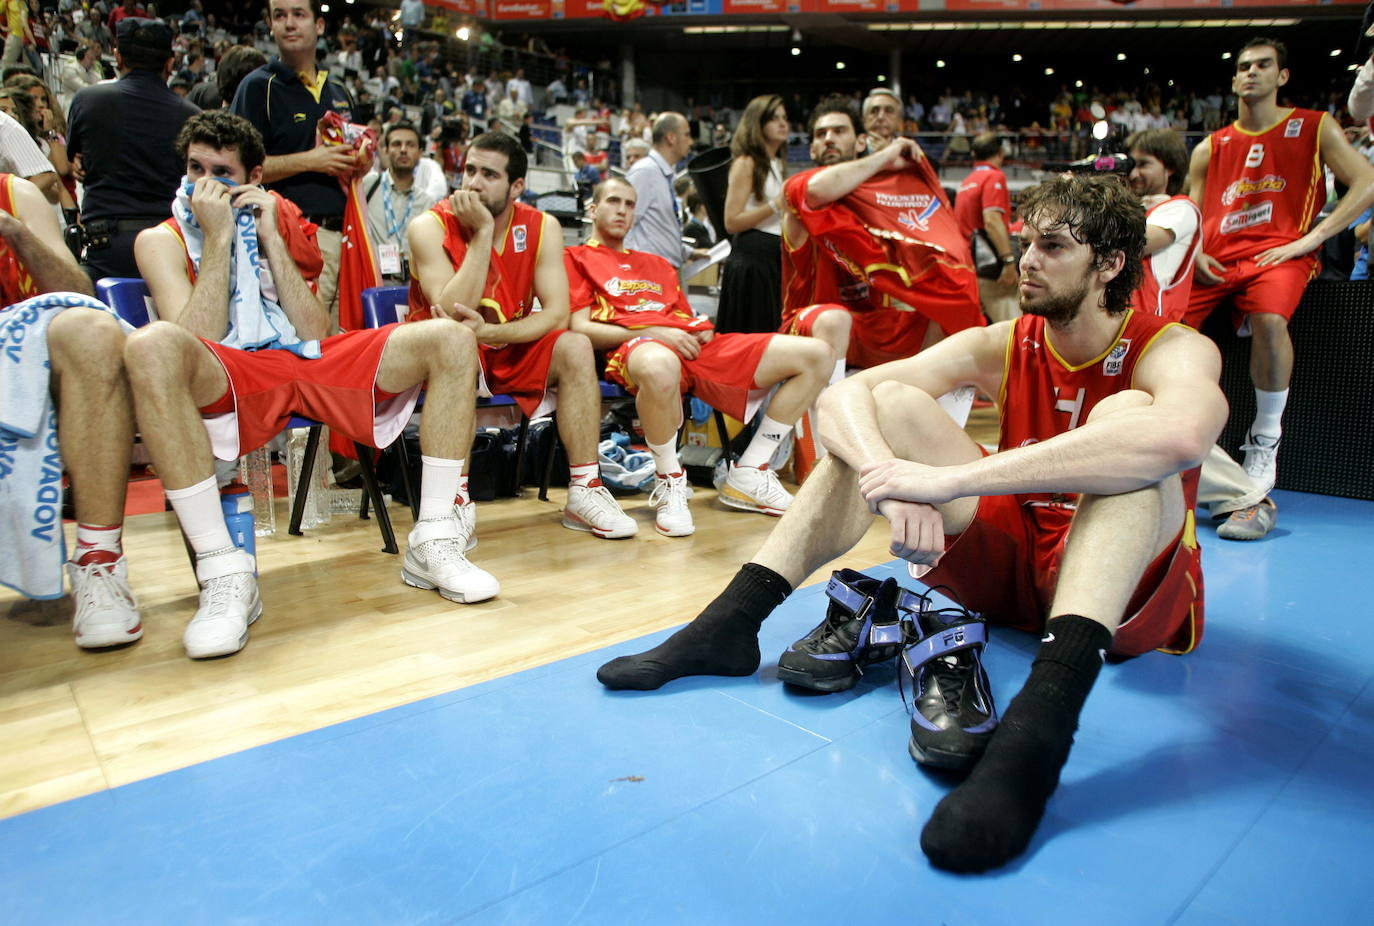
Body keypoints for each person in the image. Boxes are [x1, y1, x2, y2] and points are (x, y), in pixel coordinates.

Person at [597, 174, 1227, 874]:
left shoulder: (1174, 347)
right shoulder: (1006, 340)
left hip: (1127, 591)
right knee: (886, 404)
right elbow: (845, 399)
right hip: (1017, 568)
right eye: (1026, 244)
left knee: (1131, 427)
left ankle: (1036, 738)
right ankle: (731, 623)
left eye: (1052, 247)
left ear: (1109, 264)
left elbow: (1179, 441)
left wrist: (952, 480)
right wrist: (889, 481)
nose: (1028, 261)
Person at [127, 110, 497, 660]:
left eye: (221, 172)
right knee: (149, 344)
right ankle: (222, 572)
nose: (202, 184)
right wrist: (221, 239)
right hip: (227, 365)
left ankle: (434, 537)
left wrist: (272, 238)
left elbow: (315, 334)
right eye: (193, 167)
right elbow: (193, 341)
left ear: (254, 178)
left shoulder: (279, 221)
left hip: (299, 357)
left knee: (449, 338)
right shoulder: (159, 239)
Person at [566, 177, 831, 535]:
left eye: (630, 204)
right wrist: (652, 332)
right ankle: (670, 480)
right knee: (661, 364)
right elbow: (579, 327)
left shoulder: (658, 264)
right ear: (593, 209)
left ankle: (751, 470)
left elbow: (683, 315)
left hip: (692, 344)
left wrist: (700, 327)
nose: (623, 211)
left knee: (816, 354)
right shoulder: (574, 258)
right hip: (638, 346)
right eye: (614, 201)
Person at [407, 131, 638, 540]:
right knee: (458, 343)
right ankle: (453, 500)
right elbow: (450, 308)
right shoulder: (428, 226)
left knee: (575, 345)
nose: (474, 183)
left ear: (517, 186)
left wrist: (494, 331)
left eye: (489, 175)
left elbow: (556, 315)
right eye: (470, 170)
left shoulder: (541, 225)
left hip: (503, 344)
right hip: (446, 356)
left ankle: (585, 488)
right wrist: (479, 234)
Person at [1185, 37, 1374, 493]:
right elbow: (1190, 210)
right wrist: (1196, 251)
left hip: (1279, 254)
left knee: (1270, 320)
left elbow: (1367, 180)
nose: (1252, 72)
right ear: (1233, 81)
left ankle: (1264, 438)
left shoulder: (1315, 125)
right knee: (1162, 329)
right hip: (1217, 260)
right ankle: (1183, 437)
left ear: (1281, 76)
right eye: (1244, 66)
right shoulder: (1210, 146)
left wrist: (1315, 236)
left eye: (1263, 65)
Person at [0, 171, 144, 649]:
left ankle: (98, 559)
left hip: (16, 346)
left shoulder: (14, 195)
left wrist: (16, 233)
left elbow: (78, 293)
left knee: (93, 330)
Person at [1124, 128, 1277, 542]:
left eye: (1144, 164)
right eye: (1131, 163)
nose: (1134, 172)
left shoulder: (1180, 209)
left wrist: (1096, 207)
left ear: (1170, 168)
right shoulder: (1133, 208)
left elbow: (1136, 243)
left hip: (1155, 333)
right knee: (1137, 425)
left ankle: (1248, 496)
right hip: (1118, 331)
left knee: (1160, 426)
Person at [231, 0, 356, 326]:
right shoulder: (258, 86)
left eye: (298, 14)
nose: (289, 23)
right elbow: (238, 172)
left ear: (318, 25)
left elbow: (346, 160)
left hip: (344, 235)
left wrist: (361, 162)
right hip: (288, 238)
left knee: (340, 343)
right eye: (279, 15)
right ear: (270, 25)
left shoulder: (340, 90)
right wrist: (311, 161)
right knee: (302, 342)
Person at [66, 17, 198, 280]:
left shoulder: (87, 100)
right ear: (170, 64)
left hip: (104, 246)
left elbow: (76, 159)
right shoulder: (191, 116)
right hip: (168, 246)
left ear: (117, 57)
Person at [716, 93, 787, 334]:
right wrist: (775, 206)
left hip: (774, 257)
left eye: (784, 118)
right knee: (754, 337)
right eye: (774, 118)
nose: (782, 123)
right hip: (753, 259)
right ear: (759, 123)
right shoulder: (746, 163)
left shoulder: (776, 164)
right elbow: (731, 221)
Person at [624, 111, 704, 269]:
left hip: (661, 271)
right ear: (671, 138)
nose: (691, 142)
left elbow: (660, 228)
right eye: (687, 135)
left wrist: (687, 252)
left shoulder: (662, 174)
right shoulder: (645, 172)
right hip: (648, 273)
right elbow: (625, 225)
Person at [955, 132, 1019, 323]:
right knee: (1011, 330)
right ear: (1000, 153)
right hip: (991, 268)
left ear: (974, 155)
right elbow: (991, 220)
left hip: (971, 266)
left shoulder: (966, 182)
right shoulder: (994, 177)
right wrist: (1008, 262)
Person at [364, 121, 438, 286]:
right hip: (372, 282)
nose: (403, 149)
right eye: (397, 144)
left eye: (410, 145)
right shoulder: (367, 186)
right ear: (386, 150)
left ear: (420, 153)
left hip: (410, 286)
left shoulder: (427, 203)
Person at [861, 86, 902, 153]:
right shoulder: (852, 152)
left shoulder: (910, 155)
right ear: (864, 119)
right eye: (874, 111)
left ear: (899, 121)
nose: (880, 117)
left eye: (888, 111)